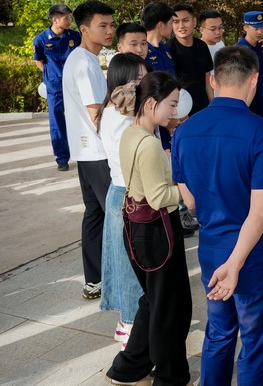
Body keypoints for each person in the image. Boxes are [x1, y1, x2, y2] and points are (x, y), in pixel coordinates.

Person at [171, 46, 263, 385]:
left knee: (219, 333)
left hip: (212, 247)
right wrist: (235, 264)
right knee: (256, 342)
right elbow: (259, 213)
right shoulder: (261, 131)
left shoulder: (184, 131)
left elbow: (190, 200)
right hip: (252, 254)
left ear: (213, 80)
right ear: (254, 80)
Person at [106, 71, 193, 386]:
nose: (175, 111)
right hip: (158, 231)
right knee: (171, 307)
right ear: (152, 103)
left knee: (154, 300)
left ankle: (129, 367)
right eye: (172, 104)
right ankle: (170, 377)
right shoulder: (149, 144)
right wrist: (186, 191)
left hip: (138, 227)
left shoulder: (131, 133)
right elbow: (158, 197)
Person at [62, 0, 115, 300]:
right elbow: (97, 114)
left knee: (95, 214)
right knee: (115, 215)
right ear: (84, 29)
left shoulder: (83, 59)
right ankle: (116, 279)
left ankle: (94, 279)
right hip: (98, 152)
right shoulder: (84, 63)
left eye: (111, 24)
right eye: (102, 25)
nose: (109, 31)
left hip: (87, 153)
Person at [98, 53, 151, 351]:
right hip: (128, 194)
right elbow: (134, 161)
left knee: (129, 263)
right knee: (131, 267)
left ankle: (128, 324)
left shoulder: (116, 111)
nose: (143, 84)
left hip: (124, 192)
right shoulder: (121, 116)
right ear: (121, 80)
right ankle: (130, 331)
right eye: (137, 78)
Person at [32, 3, 81, 171]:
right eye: (66, 18)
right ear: (55, 20)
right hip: (54, 86)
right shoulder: (41, 39)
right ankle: (62, 158)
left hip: (74, 85)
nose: (69, 21)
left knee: (79, 117)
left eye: (70, 18)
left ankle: (81, 152)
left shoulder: (75, 36)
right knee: (57, 121)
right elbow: (39, 61)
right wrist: (50, 76)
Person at [167, 3, 214, 115]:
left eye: (185, 20)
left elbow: (207, 76)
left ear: (194, 21)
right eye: (176, 22)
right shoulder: (168, 48)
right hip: (180, 110)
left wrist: (212, 104)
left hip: (203, 107)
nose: (181, 26)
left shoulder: (202, 46)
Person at [237, 10, 263, 118]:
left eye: (262, 28)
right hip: (244, 99)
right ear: (246, 28)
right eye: (256, 29)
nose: (260, 32)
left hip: (260, 97)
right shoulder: (238, 50)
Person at [140, 2, 176, 74]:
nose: (172, 27)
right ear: (160, 25)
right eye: (171, 23)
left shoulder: (165, 49)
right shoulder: (141, 51)